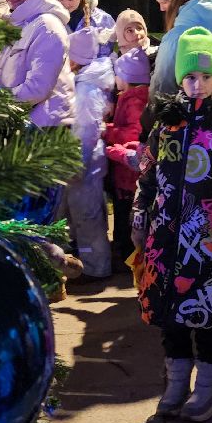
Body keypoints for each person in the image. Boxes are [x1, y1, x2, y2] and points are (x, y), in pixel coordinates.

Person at [133, 27, 212, 422]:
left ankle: (207, 390)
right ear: (179, 78)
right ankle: (176, 383)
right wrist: (139, 214)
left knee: (209, 319)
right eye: (189, 77)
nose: (197, 85)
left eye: (205, 76)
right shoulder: (165, 124)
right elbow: (147, 174)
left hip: (209, 239)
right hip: (165, 237)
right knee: (172, 317)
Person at [0, 0, 75, 129]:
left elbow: (38, 88)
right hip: (20, 120)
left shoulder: (47, 26)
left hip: (46, 126)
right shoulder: (17, 23)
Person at [66, 27, 114, 279]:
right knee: (85, 216)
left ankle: (95, 268)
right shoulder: (87, 83)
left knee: (88, 218)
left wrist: (76, 165)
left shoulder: (86, 90)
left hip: (84, 162)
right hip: (86, 161)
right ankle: (90, 264)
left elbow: (86, 130)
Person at [103, 45, 151, 262]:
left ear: (126, 77)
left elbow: (134, 133)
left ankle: (127, 256)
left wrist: (108, 131)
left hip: (129, 174)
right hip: (126, 171)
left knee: (126, 214)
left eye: (117, 75)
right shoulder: (131, 97)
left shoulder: (135, 101)